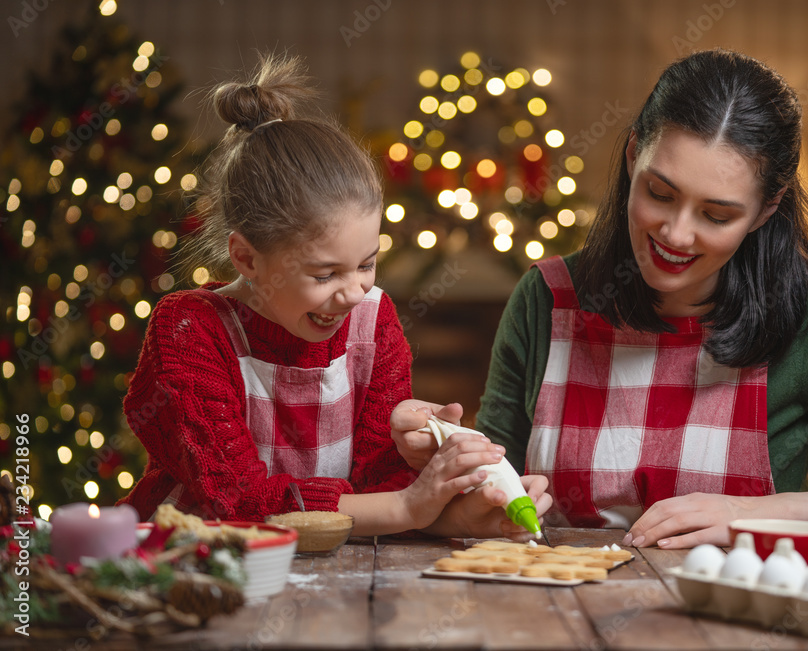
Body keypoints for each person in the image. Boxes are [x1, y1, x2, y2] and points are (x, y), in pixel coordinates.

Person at [392, 49, 808, 549]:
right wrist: (453, 464)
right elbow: (492, 503)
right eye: (660, 193)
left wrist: (757, 514)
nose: (677, 235)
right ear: (634, 154)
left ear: (766, 208)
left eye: (717, 214)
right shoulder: (546, 302)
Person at [119, 54, 549, 539]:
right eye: (324, 275)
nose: (354, 293)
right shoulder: (190, 329)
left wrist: (435, 477)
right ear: (247, 259)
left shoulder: (373, 321)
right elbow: (237, 500)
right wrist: (409, 508)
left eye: (366, 264)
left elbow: (381, 484)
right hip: (203, 564)